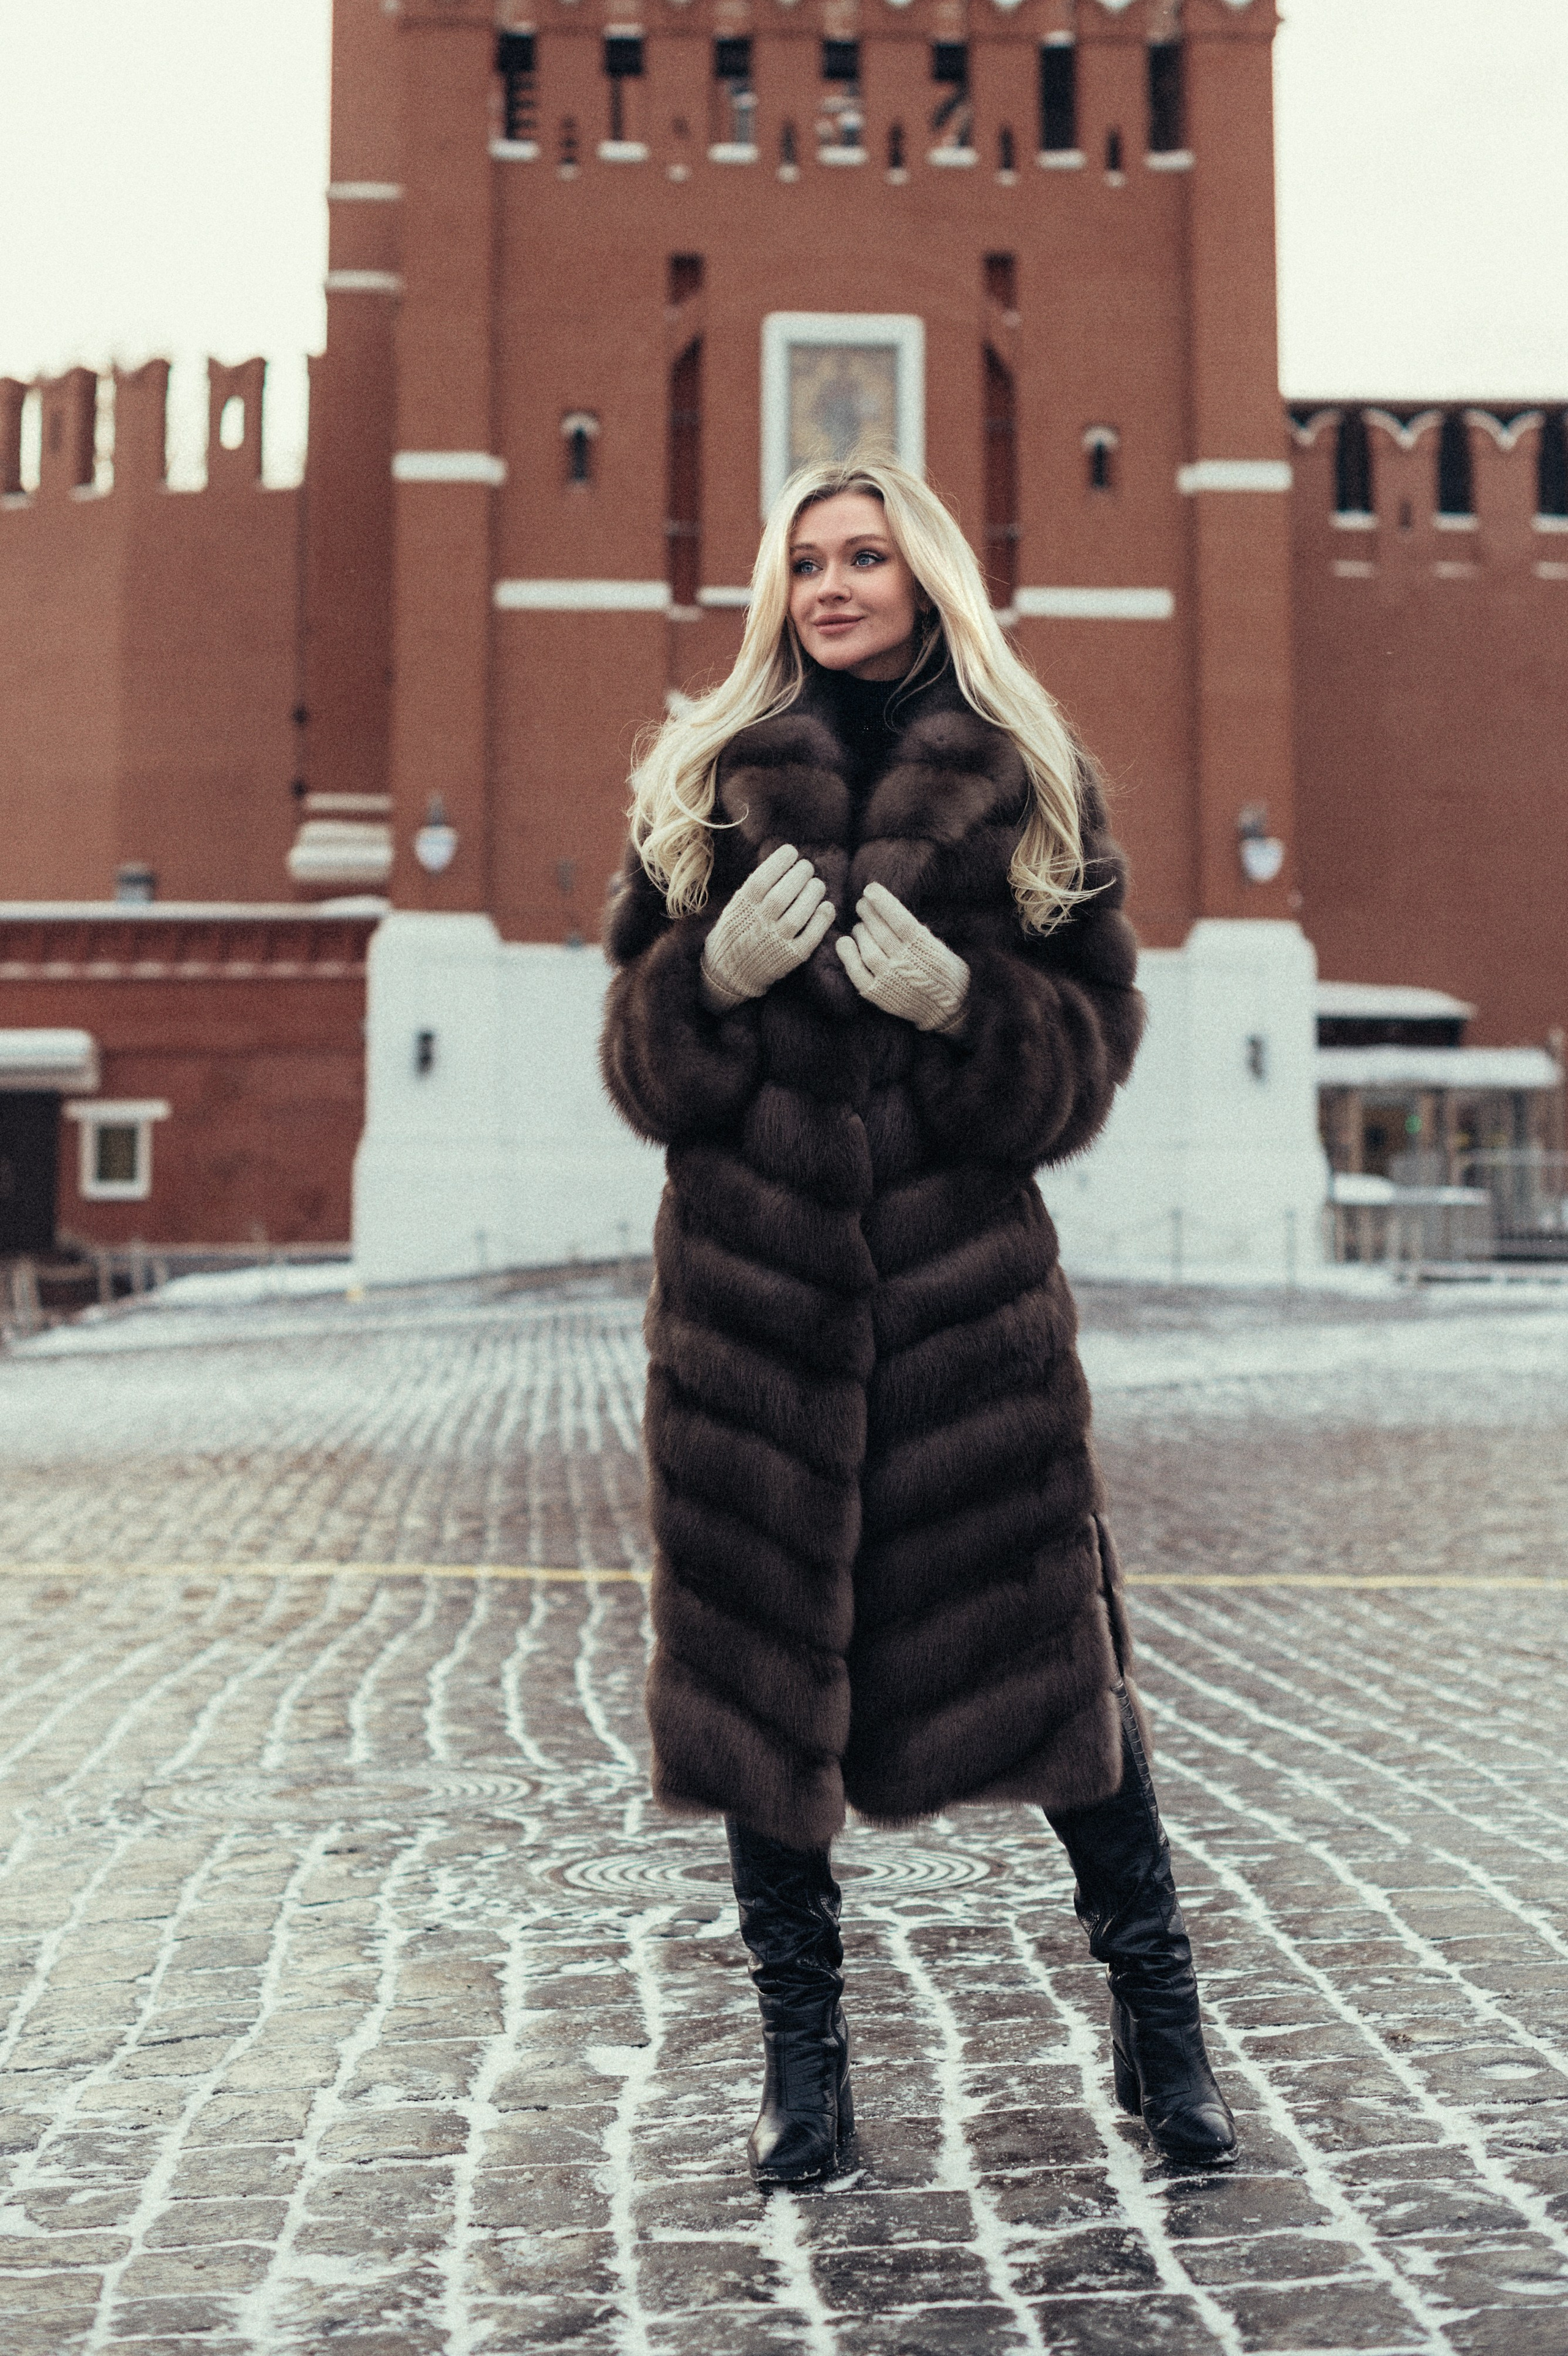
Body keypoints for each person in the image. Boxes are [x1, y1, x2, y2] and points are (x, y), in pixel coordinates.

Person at [599, 456, 1235, 2184]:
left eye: (866, 555)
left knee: (1067, 1687)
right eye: (805, 559)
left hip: (969, 1322)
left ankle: (1163, 2039)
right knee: (762, 1704)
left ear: (928, 575)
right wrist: (705, 980)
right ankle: (805, 2075)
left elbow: (1085, 1062)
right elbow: (641, 1072)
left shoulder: (1031, 788)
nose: (831, 585)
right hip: (754, 1325)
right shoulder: (702, 786)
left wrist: (969, 1009)